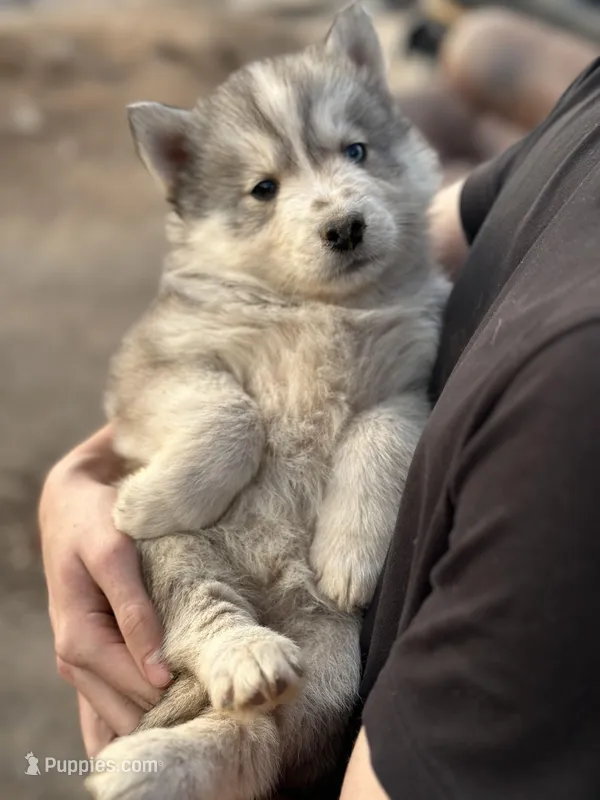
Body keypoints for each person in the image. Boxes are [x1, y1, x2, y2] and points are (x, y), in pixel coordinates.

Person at [39, 28, 600, 800]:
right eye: (264, 188)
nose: (335, 208)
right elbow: (159, 382)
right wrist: (83, 474)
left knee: (327, 662)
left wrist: (379, 435)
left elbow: (401, 379)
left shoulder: (571, 375)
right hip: (218, 561)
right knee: (182, 566)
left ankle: (232, 751)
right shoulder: (579, 123)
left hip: (336, 623)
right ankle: (213, 682)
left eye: (354, 151)